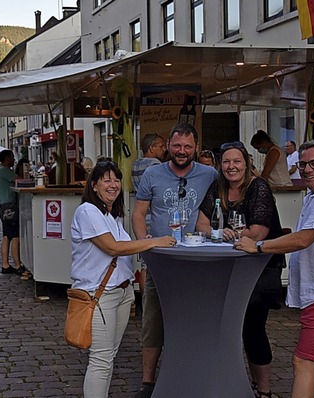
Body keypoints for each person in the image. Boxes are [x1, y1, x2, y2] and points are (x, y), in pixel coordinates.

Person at [235, 140, 314, 398]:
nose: (307, 169)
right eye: (303, 164)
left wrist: (258, 246)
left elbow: (304, 239)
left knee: (304, 362)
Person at [71, 160, 175, 398]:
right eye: (106, 180)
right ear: (94, 185)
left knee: (109, 355)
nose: (113, 184)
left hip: (120, 292)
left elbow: (122, 247)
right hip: (99, 295)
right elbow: (113, 248)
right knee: (101, 359)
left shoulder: (111, 215)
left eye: (116, 179)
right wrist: (154, 241)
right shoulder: (87, 211)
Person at [131, 123, 217, 398]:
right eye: (177, 146)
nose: (182, 152)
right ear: (168, 145)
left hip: (197, 259)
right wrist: (145, 245)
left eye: (187, 147)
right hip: (162, 260)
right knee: (153, 320)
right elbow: (138, 213)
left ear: (195, 147)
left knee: (195, 318)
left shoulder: (210, 174)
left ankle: (193, 373)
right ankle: (148, 381)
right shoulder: (153, 174)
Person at [196, 141, 284, 398]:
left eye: (236, 161)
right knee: (233, 328)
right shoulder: (218, 187)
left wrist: (229, 235)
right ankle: (243, 384)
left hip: (259, 268)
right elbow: (201, 223)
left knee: (253, 328)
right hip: (230, 267)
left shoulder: (259, 188)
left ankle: (263, 390)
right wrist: (218, 232)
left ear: (246, 163)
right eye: (226, 162)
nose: (231, 167)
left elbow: (258, 232)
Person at [131, 133, 166, 296]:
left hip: (141, 214)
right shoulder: (155, 165)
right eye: (160, 146)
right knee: (150, 265)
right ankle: (149, 298)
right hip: (152, 214)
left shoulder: (136, 164)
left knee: (145, 262)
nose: (163, 149)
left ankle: (145, 300)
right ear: (151, 147)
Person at [0, 150, 25, 275]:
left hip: (4, 205)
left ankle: (5, 264)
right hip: (10, 206)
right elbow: (21, 180)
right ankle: (18, 265)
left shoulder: (0, 171)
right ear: (7, 158)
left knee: (6, 236)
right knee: (15, 236)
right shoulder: (5, 171)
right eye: (12, 157)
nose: (14, 160)